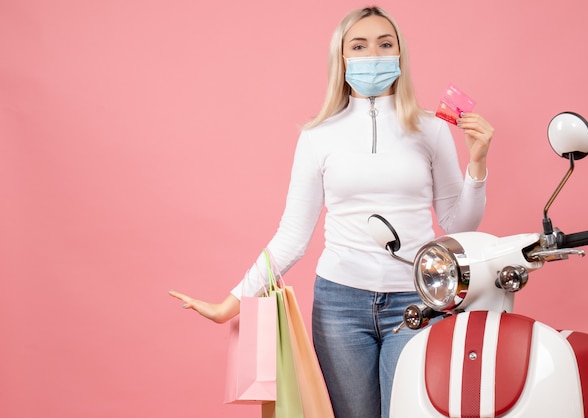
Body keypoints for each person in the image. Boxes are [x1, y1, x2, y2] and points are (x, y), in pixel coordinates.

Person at [169, 5, 494, 418]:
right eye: (358, 46)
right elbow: (292, 236)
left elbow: (458, 226)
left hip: (418, 298)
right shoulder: (317, 136)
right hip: (340, 305)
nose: (372, 55)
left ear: (400, 55)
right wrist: (229, 304)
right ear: (341, 59)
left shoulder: (431, 129)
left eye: (384, 44)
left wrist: (478, 164)